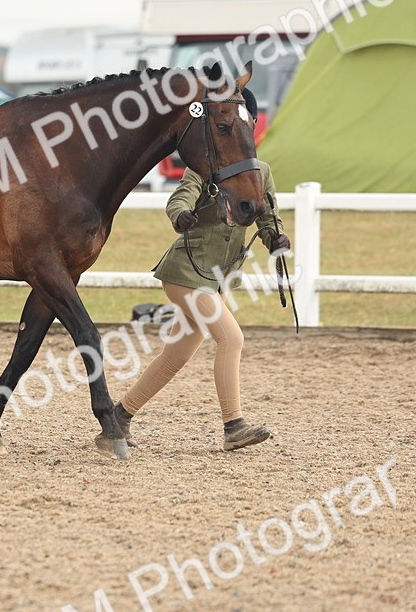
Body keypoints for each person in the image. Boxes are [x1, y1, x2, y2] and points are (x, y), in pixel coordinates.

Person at [114, 88, 287, 452]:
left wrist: (275, 238)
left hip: (217, 278)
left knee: (176, 355)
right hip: (186, 273)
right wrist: (181, 215)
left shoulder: (262, 172)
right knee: (231, 338)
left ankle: (120, 415)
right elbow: (180, 197)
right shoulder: (204, 166)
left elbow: (268, 215)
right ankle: (233, 425)